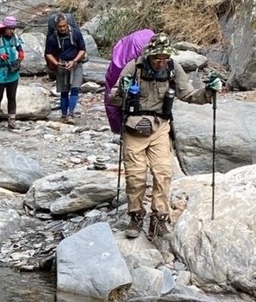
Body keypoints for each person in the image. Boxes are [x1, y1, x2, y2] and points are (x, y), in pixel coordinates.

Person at [107, 32, 223, 240]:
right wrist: (121, 92)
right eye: (157, 57)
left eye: (165, 57)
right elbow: (113, 98)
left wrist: (209, 91)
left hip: (160, 127)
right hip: (134, 127)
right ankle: (136, 216)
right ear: (149, 55)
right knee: (136, 176)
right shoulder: (134, 68)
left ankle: (159, 219)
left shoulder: (173, 68)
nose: (161, 61)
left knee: (163, 173)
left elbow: (187, 94)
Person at [44, 13, 87, 124]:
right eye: (60, 27)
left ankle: (71, 114)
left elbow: (82, 49)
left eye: (64, 26)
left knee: (75, 89)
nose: (62, 28)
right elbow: (48, 53)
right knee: (64, 91)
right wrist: (57, 63)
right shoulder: (53, 38)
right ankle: (64, 115)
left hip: (76, 64)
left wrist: (74, 61)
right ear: (56, 26)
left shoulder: (76, 34)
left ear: (67, 24)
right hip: (62, 65)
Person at [0, 15, 25, 129]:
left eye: (13, 29)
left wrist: (21, 54)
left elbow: (19, 49)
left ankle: (12, 120)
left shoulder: (15, 38)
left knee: (11, 97)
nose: (11, 31)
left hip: (12, 72)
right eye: (9, 28)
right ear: (4, 28)